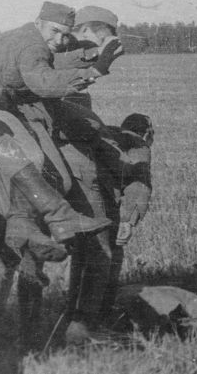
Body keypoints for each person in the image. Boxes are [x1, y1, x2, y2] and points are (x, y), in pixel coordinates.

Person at [63, 112, 154, 344]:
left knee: (83, 255)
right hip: (98, 194)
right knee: (107, 256)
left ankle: (71, 315)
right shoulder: (139, 145)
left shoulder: (106, 133)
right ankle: (90, 324)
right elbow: (138, 183)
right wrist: (129, 221)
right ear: (147, 133)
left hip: (76, 188)